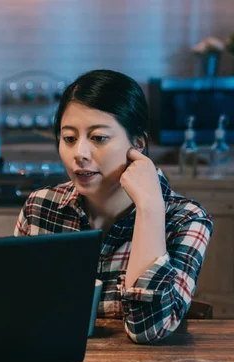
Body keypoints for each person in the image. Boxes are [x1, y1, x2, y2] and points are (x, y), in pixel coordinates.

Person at [14, 69, 213, 344]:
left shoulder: (186, 219)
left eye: (98, 138)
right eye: (69, 138)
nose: (79, 154)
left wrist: (150, 209)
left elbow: (149, 329)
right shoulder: (39, 208)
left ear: (138, 144)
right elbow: (14, 312)